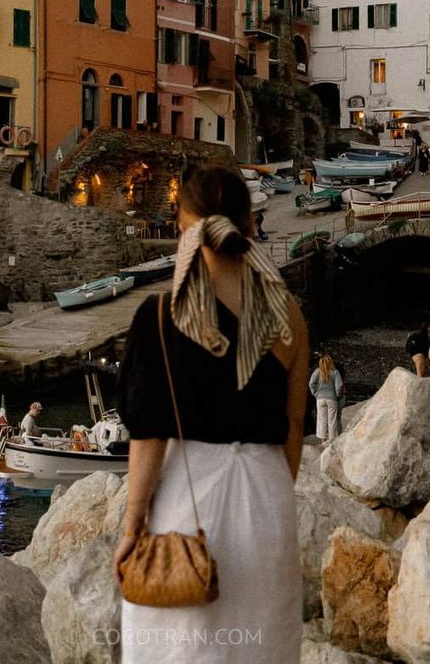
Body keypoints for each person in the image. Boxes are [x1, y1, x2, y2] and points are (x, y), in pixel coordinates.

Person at [115, 166, 308, 663]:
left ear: (185, 227)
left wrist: (132, 525)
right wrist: (270, 494)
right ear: (251, 225)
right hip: (266, 498)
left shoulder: (161, 315)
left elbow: (149, 433)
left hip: (188, 501)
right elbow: (292, 427)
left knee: (181, 648)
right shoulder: (288, 313)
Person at [309, 355, 343, 442]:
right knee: (332, 419)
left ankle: (322, 439)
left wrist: (315, 393)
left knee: (321, 418)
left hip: (320, 399)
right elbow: (339, 386)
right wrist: (337, 395)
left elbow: (311, 383)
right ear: (330, 362)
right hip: (331, 398)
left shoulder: (317, 371)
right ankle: (332, 439)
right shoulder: (335, 372)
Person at [334, 362, 347, 437]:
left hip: (334, 398)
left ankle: (331, 436)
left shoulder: (334, 375)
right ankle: (339, 434)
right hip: (342, 397)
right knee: (338, 417)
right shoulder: (342, 376)